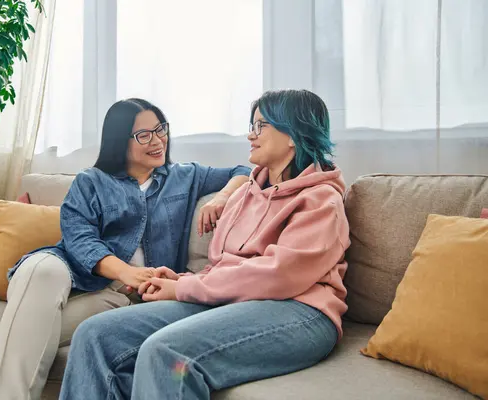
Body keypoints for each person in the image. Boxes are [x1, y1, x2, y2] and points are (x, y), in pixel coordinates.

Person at [60, 89, 351, 400]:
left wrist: (184, 289)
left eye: (260, 126)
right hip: (233, 301)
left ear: (292, 134)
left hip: (301, 310)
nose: (250, 135)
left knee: (167, 353)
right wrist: (184, 280)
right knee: (95, 334)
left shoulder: (321, 200)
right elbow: (222, 267)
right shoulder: (245, 194)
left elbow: (278, 275)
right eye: (251, 126)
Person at [0, 98, 251, 400]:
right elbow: (80, 240)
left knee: (16, 336)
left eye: (160, 129)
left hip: (117, 298)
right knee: (43, 272)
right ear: (119, 140)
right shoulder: (91, 181)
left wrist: (221, 198)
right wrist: (129, 272)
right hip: (65, 272)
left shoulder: (186, 176)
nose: (157, 141)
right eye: (144, 135)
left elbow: (243, 170)